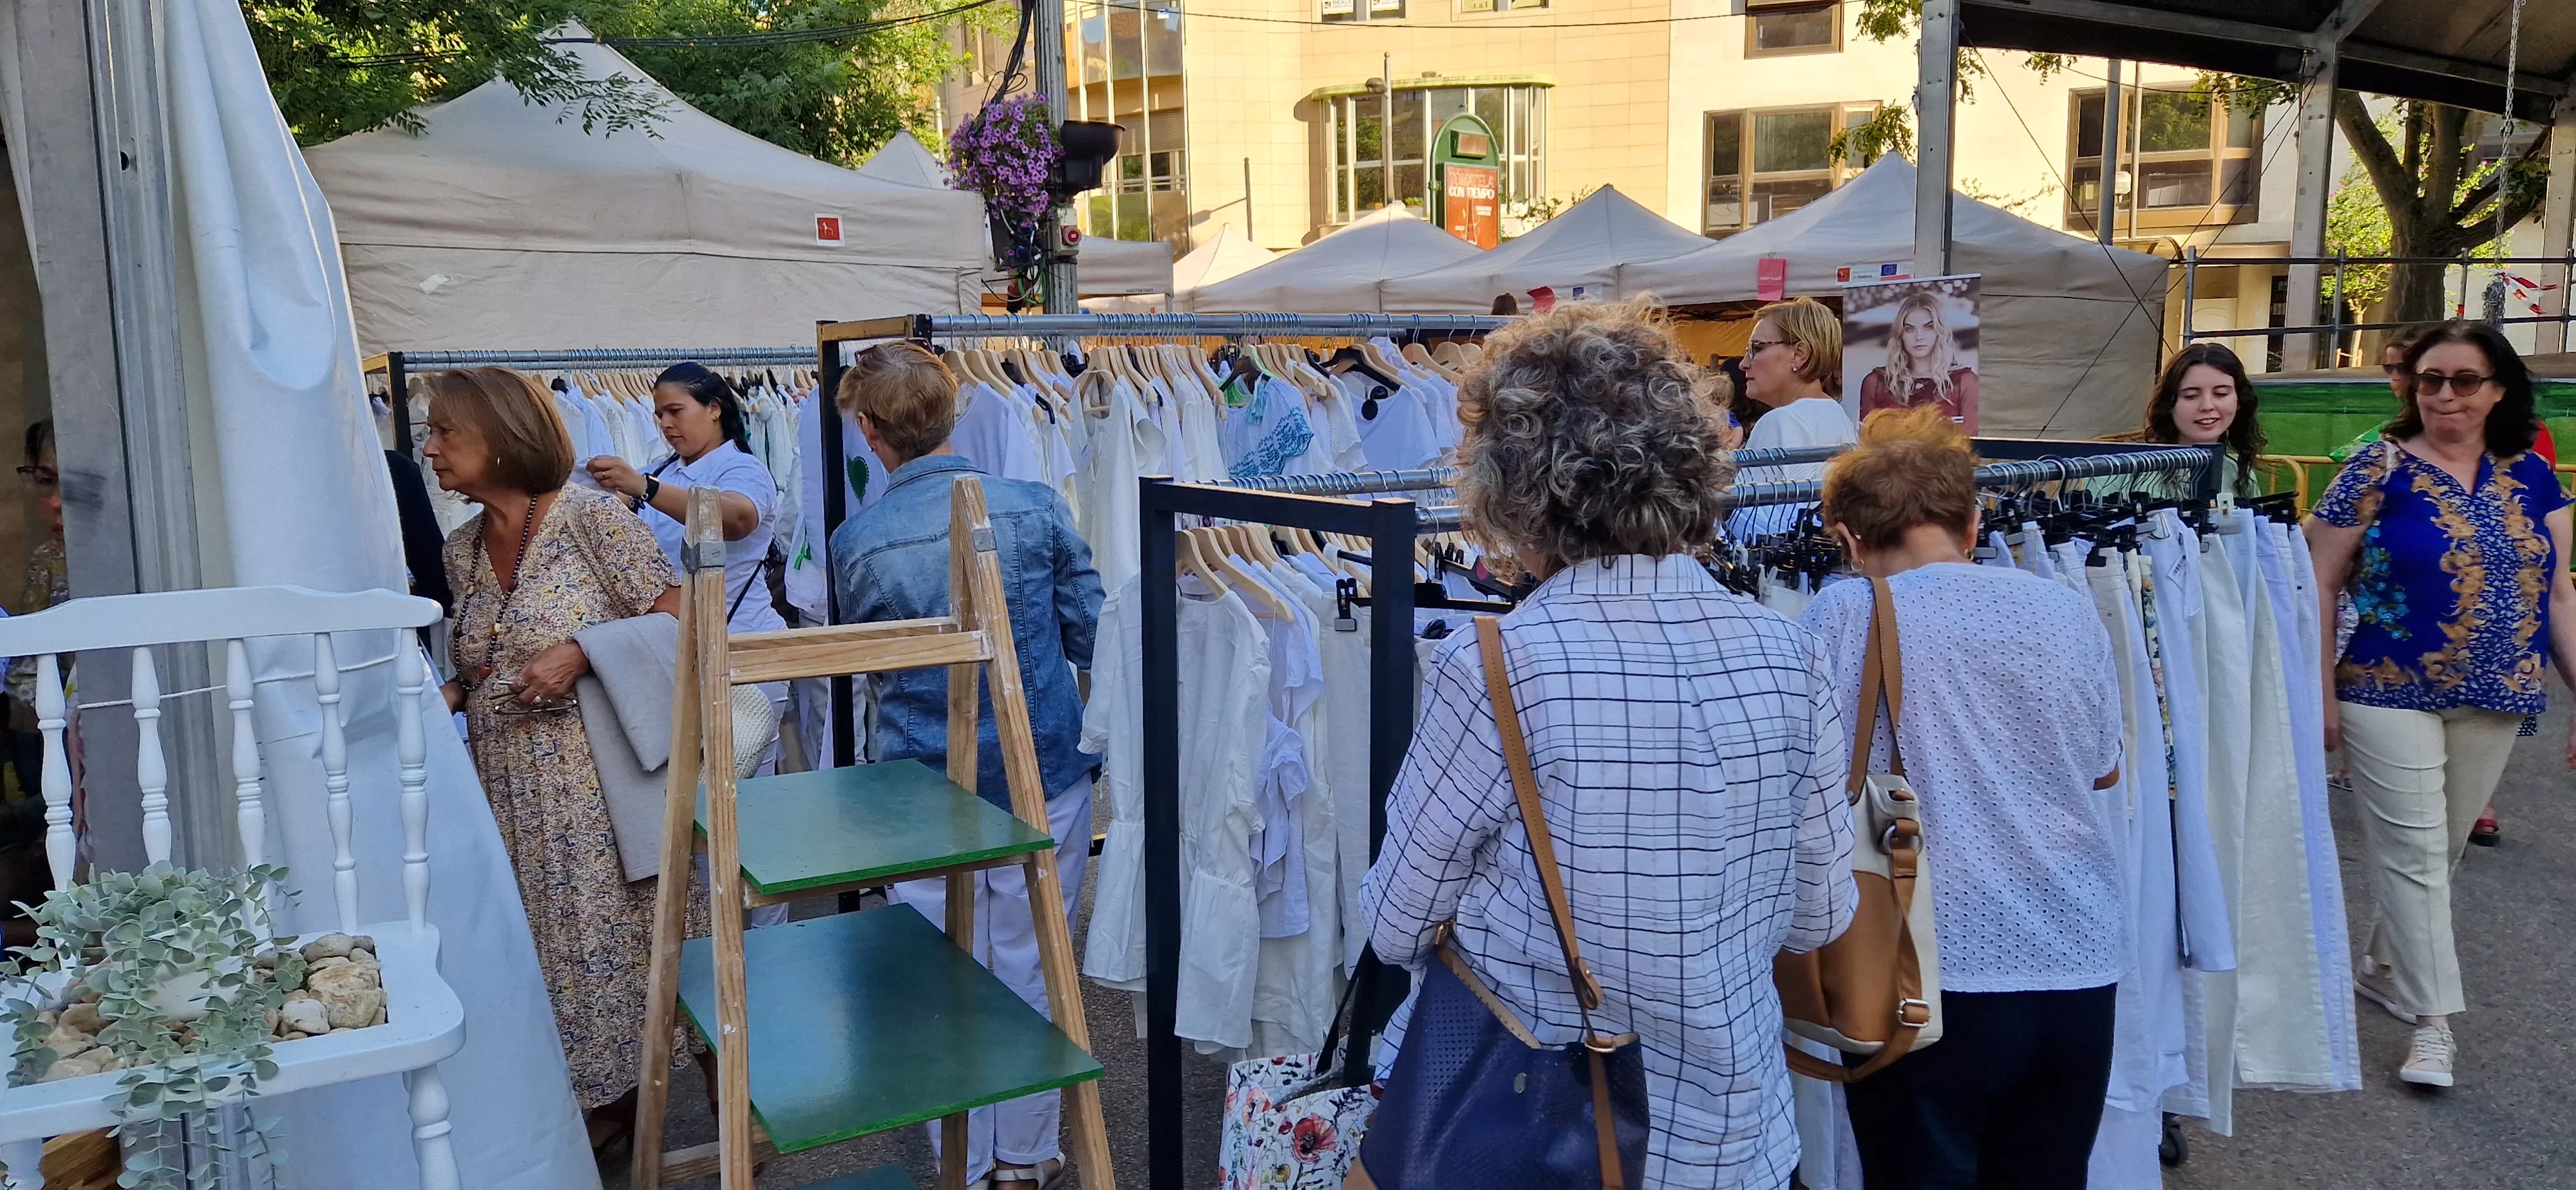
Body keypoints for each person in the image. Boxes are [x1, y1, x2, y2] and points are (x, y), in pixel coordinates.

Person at [1361, 300, 1857, 1189]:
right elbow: (1818, 917)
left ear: (1516, 486)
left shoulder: (1498, 667)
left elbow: (1397, 923)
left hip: (1534, 1132)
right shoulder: (1792, 652)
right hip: (1731, 1141)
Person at [1799, 407, 2126, 1189]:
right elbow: (2103, 769)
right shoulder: (2064, 608)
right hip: (2074, 960)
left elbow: (1805, 777)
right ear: (1972, 523)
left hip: (1923, 965)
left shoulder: (1843, 613)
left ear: (1847, 540)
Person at [830, 341, 1103, 1189]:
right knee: (1032, 960)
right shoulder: (1035, 506)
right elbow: (1091, 634)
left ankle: (967, 1159)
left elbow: (874, 667)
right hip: (1041, 766)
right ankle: (1024, 1155)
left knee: (940, 975)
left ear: (871, 431)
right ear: (953, 413)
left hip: (920, 784)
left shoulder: (858, 540)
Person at [421, 366, 690, 1150]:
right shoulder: (462, 548)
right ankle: (604, 1104)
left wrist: (581, 651)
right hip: (510, 792)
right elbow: (488, 657)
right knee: (555, 960)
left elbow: (679, 613)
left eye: (445, 431)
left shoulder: (590, 518)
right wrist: (451, 693)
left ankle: (725, 1093)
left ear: (501, 437)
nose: (429, 449)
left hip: (603, 787)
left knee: (641, 945)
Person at [2306, 321, 2576, 1088]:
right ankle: (2432, 1025)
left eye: (2463, 380)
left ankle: (2380, 964)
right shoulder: (2375, 466)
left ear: (2498, 390)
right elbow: (2317, 580)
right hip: (2384, 688)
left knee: (2442, 850)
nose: (2445, 395)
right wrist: (2318, 691)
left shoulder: (2533, 477)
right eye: (2430, 380)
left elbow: (2559, 595)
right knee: (2416, 856)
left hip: (2496, 692)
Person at [1730, 296, 1858, 540]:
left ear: (1799, 354)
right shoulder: (1837, 415)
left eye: (1757, 348)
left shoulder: (1781, 420)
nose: (1744, 364)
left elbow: (1748, 528)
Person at [2139, 341, 2265, 496]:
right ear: (2169, 404)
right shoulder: (2134, 472)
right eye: (2191, 396)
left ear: (2239, 401)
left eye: (2221, 394)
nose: (2207, 406)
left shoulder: (2240, 474)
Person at [1857, 290, 1977, 422]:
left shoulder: (1965, 382)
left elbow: (1970, 435)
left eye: (1928, 327)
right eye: (1910, 329)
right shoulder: (1875, 384)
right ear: (1901, 334)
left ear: (1940, 331)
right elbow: (1867, 435)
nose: (1919, 337)